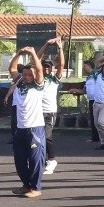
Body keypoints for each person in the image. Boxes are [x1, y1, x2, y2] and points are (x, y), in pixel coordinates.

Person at [5, 46, 49, 198]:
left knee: (35, 159)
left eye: (30, 74)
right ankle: (26, 185)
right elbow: (12, 68)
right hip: (20, 129)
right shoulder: (19, 83)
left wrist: (32, 53)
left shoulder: (38, 86)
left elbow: (39, 69)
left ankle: (36, 188)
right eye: (25, 74)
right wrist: (18, 53)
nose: (27, 76)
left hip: (34, 129)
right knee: (19, 160)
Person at [38, 37, 63, 176]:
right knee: (37, 137)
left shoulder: (54, 79)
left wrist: (59, 48)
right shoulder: (38, 78)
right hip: (37, 112)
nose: (46, 68)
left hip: (50, 112)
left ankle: (52, 160)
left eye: (48, 66)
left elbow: (62, 64)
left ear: (51, 68)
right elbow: (36, 58)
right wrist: (47, 44)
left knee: (47, 136)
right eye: (44, 66)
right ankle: (41, 160)